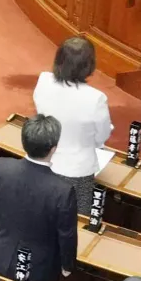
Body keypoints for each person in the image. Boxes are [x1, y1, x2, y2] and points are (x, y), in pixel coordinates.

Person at [0, 113, 78, 281]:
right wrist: (67, 266)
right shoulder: (62, 191)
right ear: (53, 148)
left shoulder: (1, 167)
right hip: (38, 271)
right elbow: (66, 235)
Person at [34, 35, 111, 212]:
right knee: (75, 224)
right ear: (89, 65)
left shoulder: (44, 81)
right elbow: (101, 137)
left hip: (44, 163)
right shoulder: (96, 99)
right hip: (77, 173)